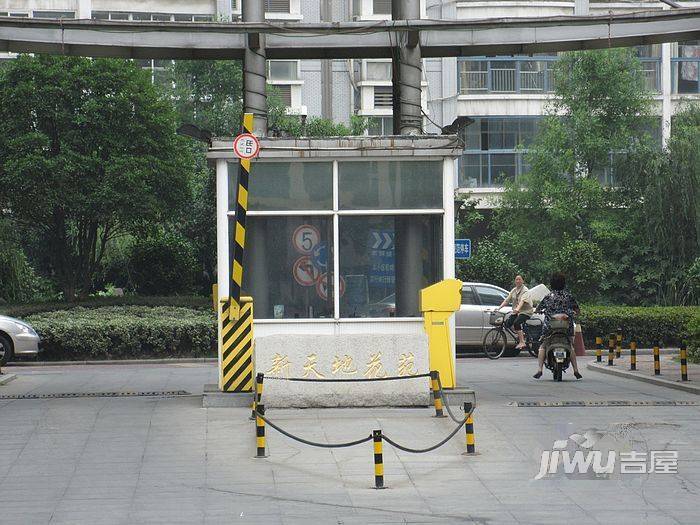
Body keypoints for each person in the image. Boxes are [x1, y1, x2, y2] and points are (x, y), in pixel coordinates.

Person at [533, 272, 582, 380]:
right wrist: (574, 313)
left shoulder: (548, 297)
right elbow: (577, 310)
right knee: (570, 345)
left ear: (552, 284)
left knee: (543, 346)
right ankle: (576, 370)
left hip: (549, 328)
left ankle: (540, 369)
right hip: (566, 327)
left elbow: (538, 309)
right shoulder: (568, 296)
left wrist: (539, 311)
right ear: (564, 283)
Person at [497, 275, 533, 350]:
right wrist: (499, 308)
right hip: (517, 311)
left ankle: (522, 341)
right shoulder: (514, 290)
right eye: (516, 279)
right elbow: (507, 300)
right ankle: (520, 333)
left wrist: (517, 309)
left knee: (516, 323)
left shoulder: (525, 290)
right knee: (507, 323)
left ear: (523, 281)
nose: (518, 281)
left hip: (525, 312)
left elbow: (522, 302)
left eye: (520, 279)